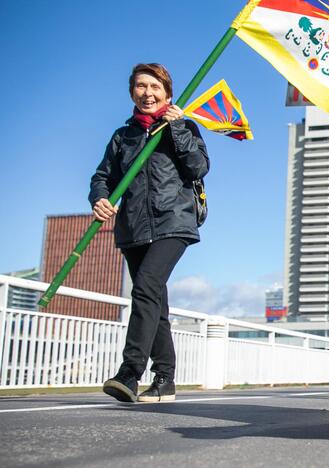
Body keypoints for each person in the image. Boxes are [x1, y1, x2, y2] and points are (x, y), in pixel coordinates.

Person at [90, 63, 210, 403]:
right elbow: (102, 177)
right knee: (154, 301)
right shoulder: (122, 136)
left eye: (155, 87)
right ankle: (165, 378)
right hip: (133, 227)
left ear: (168, 94)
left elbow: (198, 167)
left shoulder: (183, 127)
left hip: (174, 222)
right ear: (132, 93)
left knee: (145, 287)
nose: (148, 93)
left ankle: (130, 372)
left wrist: (178, 129)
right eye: (141, 86)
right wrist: (100, 198)